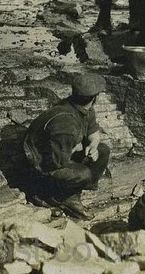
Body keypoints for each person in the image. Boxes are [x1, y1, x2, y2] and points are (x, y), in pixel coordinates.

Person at [23, 73, 111, 220]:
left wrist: (93, 145)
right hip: (40, 166)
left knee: (103, 150)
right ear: (94, 98)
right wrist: (78, 148)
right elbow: (57, 162)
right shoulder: (65, 123)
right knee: (83, 174)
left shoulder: (84, 108)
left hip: (61, 152)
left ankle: (74, 191)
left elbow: (93, 131)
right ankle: (52, 195)